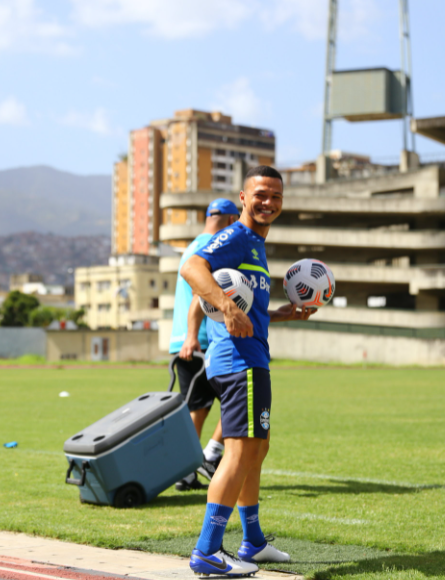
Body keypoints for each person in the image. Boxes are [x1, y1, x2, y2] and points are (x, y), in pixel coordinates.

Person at [181, 166, 313, 576]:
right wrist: (226, 305)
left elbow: (249, 311)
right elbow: (192, 268)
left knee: (257, 449)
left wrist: (279, 314)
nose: (268, 202)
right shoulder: (238, 236)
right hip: (239, 363)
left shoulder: (256, 244)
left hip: (251, 358)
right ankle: (206, 551)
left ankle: (253, 543)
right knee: (239, 453)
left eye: (276, 196)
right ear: (243, 197)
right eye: (260, 194)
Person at [170, 198, 239, 491]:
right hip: (200, 341)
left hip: (188, 339)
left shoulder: (194, 244)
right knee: (226, 403)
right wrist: (192, 336)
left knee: (201, 406)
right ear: (230, 218)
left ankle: (190, 467)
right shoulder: (214, 247)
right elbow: (203, 292)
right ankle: (202, 459)